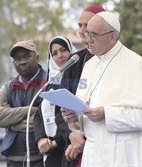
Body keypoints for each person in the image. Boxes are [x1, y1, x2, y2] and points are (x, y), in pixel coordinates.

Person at [61, 11, 142, 166]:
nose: (88, 40)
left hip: (126, 154)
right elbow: (84, 108)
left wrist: (106, 114)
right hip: (94, 153)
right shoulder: (89, 65)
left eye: (94, 35)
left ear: (112, 36)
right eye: (87, 34)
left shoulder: (136, 64)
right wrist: (74, 117)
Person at [54, 4, 105, 167]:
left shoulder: (118, 60)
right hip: (75, 148)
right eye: (80, 25)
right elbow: (59, 110)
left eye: (87, 24)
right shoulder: (74, 61)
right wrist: (72, 135)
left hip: (105, 144)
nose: (82, 30)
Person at [0, 41, 46, 167]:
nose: (22, 62)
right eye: (17, 59)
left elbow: (47, 121)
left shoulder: (49, 83)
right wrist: (29, 111)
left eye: (27, 56)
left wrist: (11, 121)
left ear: (37, 58)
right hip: (14, 158)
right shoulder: (8, 87)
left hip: (41, 157)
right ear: (13, 63)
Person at [33, 36, 77, 167]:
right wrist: (41, 139)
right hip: (50, 152)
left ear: (71, 51)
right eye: (55, 53)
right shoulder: (49, 82)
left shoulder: (79, 79)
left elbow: (73, 114)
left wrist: (56, 141)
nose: (60, 56)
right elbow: (38, 115)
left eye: (64, 50)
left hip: (70, 148)